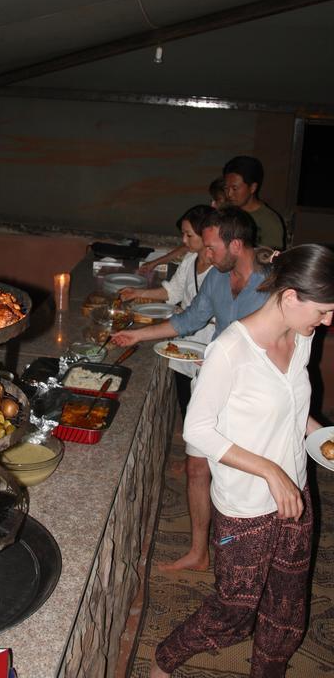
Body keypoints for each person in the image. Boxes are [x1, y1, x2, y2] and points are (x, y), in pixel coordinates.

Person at [151, 244, 334, 678]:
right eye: (324, 310)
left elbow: (292, 404)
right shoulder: (231, 350)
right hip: (246, 506)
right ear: (291, 298)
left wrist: (321, 436)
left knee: (286, 611)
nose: (328, 321)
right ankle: (164, 660)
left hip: (294, 497)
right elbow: (197, 430)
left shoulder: (302, 336)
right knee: (233, 610)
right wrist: (271, 471)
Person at [112, 207, 269, 570]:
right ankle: (199, 552)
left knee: (243, 481)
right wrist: (137, 334)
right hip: (213, 383)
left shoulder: (272, 283)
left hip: (252, 395)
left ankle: (247, 554)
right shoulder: (217, 277)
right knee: (196, 467)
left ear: (237, 244)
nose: (205, 255)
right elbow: (188, 320)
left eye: (211, 247)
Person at [120, 205, 215, 417]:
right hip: (185, 335)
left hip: (209, 338)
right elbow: (172, 292)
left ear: (207, 235)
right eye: (183, 234)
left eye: (189, 235)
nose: (183, 241)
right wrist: (137, 293)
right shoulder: (190, 259)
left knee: (206, 400)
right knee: (185, 394)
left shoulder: (219, 269)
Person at [223, 155, 286, 249]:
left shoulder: (269, 221)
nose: (229, 194)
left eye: (235, 188)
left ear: (252, 188)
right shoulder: (225, 211)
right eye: (226, 188)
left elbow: (270, 259)